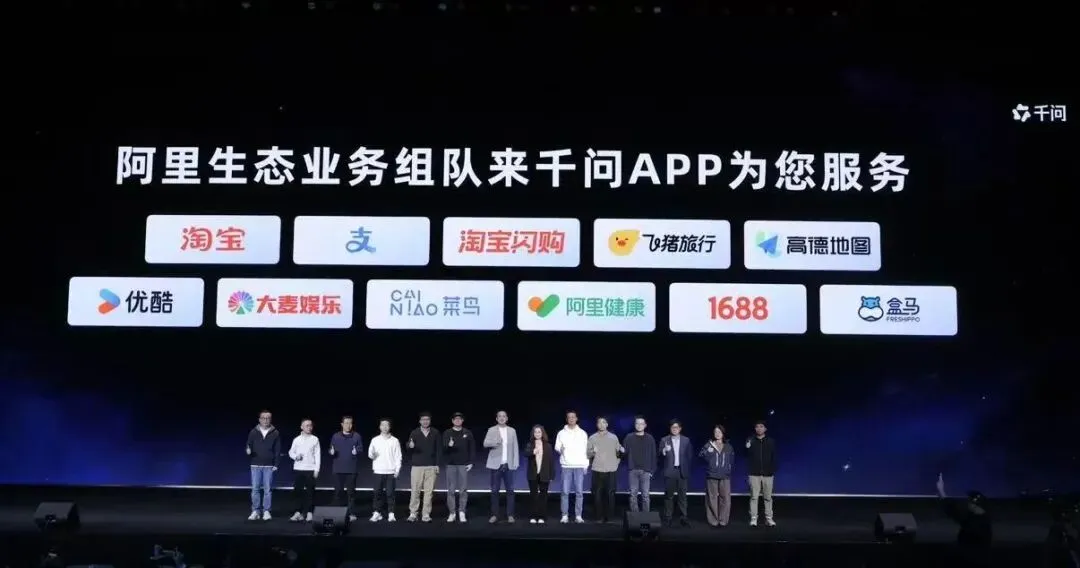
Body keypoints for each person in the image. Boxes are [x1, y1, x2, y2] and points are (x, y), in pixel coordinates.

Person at [936, 474, 992, 567]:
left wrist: (941, 491)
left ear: (974, 505)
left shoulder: (975, 523)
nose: (968, 503)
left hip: (972, 559)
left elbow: (955, 511)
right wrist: (942, 493)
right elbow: (954, 509)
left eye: (969, 501)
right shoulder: (980, 517)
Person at [483, 410, 519, 523]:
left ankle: (510, 515)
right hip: (495, 465)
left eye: (504, 416)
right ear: (497, 418)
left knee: (510, 491)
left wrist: (516, 462)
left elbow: (515, 447)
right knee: (494, 491)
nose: (502, 418)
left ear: (507, 418)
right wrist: (495, 442)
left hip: (508, 464)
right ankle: (494, 515)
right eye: (500, 416)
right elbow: (485, 443)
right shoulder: (491, 430)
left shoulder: (512, 431)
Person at [406, 412, 441, 523]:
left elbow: (438, 450)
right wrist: (410, 446)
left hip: (431, 466)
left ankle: (426, 514)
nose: (425, 421)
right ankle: (413, 513)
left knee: (429, 492)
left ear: (430, 421)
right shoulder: (415, 432)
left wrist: (437, 464)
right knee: (415, 491)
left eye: (427, 419)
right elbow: (409, 446)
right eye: (423, 419)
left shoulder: (435, 432)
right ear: (420, 421)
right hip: (417, 466)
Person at [554, 410, 589, 524]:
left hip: (579, 466)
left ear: (576, 419)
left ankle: (578, 515)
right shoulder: (561, 433)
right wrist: (560, 449)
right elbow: (557, 447)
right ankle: (564, 515)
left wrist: (586, 465)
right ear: (567, 419)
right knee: (565, 492)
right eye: (569, 417)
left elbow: (586, 450)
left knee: (579, 492)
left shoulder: (582, 433)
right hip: (566, 466)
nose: (571, 419)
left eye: (573, 417)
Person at [246, 410, 281, 521]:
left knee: (267, 489)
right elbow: (248, 445)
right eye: (264, 418)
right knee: (255, 489)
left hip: (269, 466)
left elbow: (277, 450)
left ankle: (266, 511)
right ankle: (255, 511)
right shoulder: (253, 432)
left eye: (268, 418)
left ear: (270, 419)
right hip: (255, 465)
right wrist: (248, 450)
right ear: (259, 419)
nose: (266, 420)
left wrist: (276, 464)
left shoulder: (275, 433)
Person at [587, 417, 622, 523]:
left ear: (607, 424)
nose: (601, 424)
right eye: (599, 423)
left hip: (611, 470)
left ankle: (609, 517)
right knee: (597, 494)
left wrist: (616, 464)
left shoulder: (613, 437)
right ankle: (599, 517)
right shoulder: (592, 438)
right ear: (597, 425)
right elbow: (588, 454)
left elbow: (619, 452)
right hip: (597, 469)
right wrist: (593, 451)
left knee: (610, 494)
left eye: (604, 422)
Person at [328, 415, 363, 521]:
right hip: (338, 469)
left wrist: (356, 451)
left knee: (351, 493)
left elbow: (360, 449)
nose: (348, 425)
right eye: (346, 423)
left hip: (351, 469)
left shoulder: (356, 436)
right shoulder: (336, 436)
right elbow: (331, 449)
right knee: (338, 492)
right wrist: (331, 452)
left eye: (350, 423)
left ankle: (351, 513)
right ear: (342, 424)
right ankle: (337, 513)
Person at [442, 412, 475, 523]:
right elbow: (443, 449)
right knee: (451, 490)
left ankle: (462, 512)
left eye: (459, 419)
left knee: (463, 490)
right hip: (451, 465)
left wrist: (471, 462)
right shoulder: (447, 433)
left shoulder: (467, 433)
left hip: (463, 465)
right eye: (455, 419)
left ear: (462, 420)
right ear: (452, 421)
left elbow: (472, 448)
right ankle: (452, 513)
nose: (457, 420)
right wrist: (448, 446)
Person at [368, 419, 402, 522]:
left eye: (387, 425)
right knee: (377, 493)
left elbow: (398, 456)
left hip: (390, 471)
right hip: (378, 471)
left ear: (390, 427)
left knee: (390, 493)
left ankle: (391, 513)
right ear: (380, 427)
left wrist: (397, 470)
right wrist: (373, 454)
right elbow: (370, 454)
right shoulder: (375, 440)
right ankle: (377, 512)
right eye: (383, 425)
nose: (385, 427)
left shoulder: (395, 440)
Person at [660, 419, 692, 527]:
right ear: (670, 428)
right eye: (672, 427)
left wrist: (686, 468)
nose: (674, 429)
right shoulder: (664, 440)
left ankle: (683, 517)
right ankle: (668, 517)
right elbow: (659, 455)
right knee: (669, 496)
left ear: (680, 429)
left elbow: (689, 455)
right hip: (670, 471)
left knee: (682, 496)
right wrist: (664, 450)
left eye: (676, 427)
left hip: (682, 471)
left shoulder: (686, 440)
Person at [699, 424, 734, 527]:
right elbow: (701, 457)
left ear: (723, 433)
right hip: (712, 475)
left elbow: (731, 460)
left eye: (719, 432)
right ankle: (713, 520)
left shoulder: (728, 446)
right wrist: (708, 452)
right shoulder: (709, 445)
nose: (717, 434)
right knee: (712, 498)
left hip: (725, 476)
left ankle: (723, 520)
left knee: (726, 499)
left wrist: (728, 470)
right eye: (716, 432)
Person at [288, 419, 321, 522]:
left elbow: (317, 455)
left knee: (310, 492)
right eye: (307, 425)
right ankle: (298, 512)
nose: (309, 427)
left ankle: (309, 512)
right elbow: (291, 452)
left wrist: (317, 469)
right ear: (301, 427)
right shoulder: (297, 439)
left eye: (310, 425)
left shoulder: (315, 439)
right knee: (298, 491)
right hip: (298, 469)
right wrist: (296, 457)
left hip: (310, 469)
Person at [745, 420, 777, 527]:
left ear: (765, 429)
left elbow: (774, 456)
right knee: (754, 497)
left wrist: (772, 470)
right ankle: (754, 518)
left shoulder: (771, 441)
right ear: (755, 429)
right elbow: (746, 454)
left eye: (761, 426)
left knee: (768, 497)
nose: (759, 428)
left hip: (768, 474)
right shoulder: (750, 440)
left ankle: (769, 518)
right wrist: (747, 445)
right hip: (754, 473)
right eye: (757, 426)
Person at [623, 415, 657, 513]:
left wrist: (652, 471)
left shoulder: (650, 438)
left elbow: (653, 455)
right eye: (637, 423)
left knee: (645, 495)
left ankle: (645, 516)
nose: (639, 425)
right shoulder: (629, 437)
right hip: (633, 470)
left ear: (645, 425)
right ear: (635, 425)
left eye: (641, 424)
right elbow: (624, 452)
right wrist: (621, 451)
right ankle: (635, 516)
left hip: (646, 471)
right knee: (633, 494)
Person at [524, 425, 555, 524]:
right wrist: (532, 452)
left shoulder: (548, 446)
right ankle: (534, 516)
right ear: (533, 434)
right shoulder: (530, 444)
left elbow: (551, 461)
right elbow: (525, 453)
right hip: (533, 474)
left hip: (544, 474)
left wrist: (552, 475)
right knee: (534, 496)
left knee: (543, 496)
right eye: (535, 432)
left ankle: (542, 516)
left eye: (539, 432)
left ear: (542, 433)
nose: (537, 434)